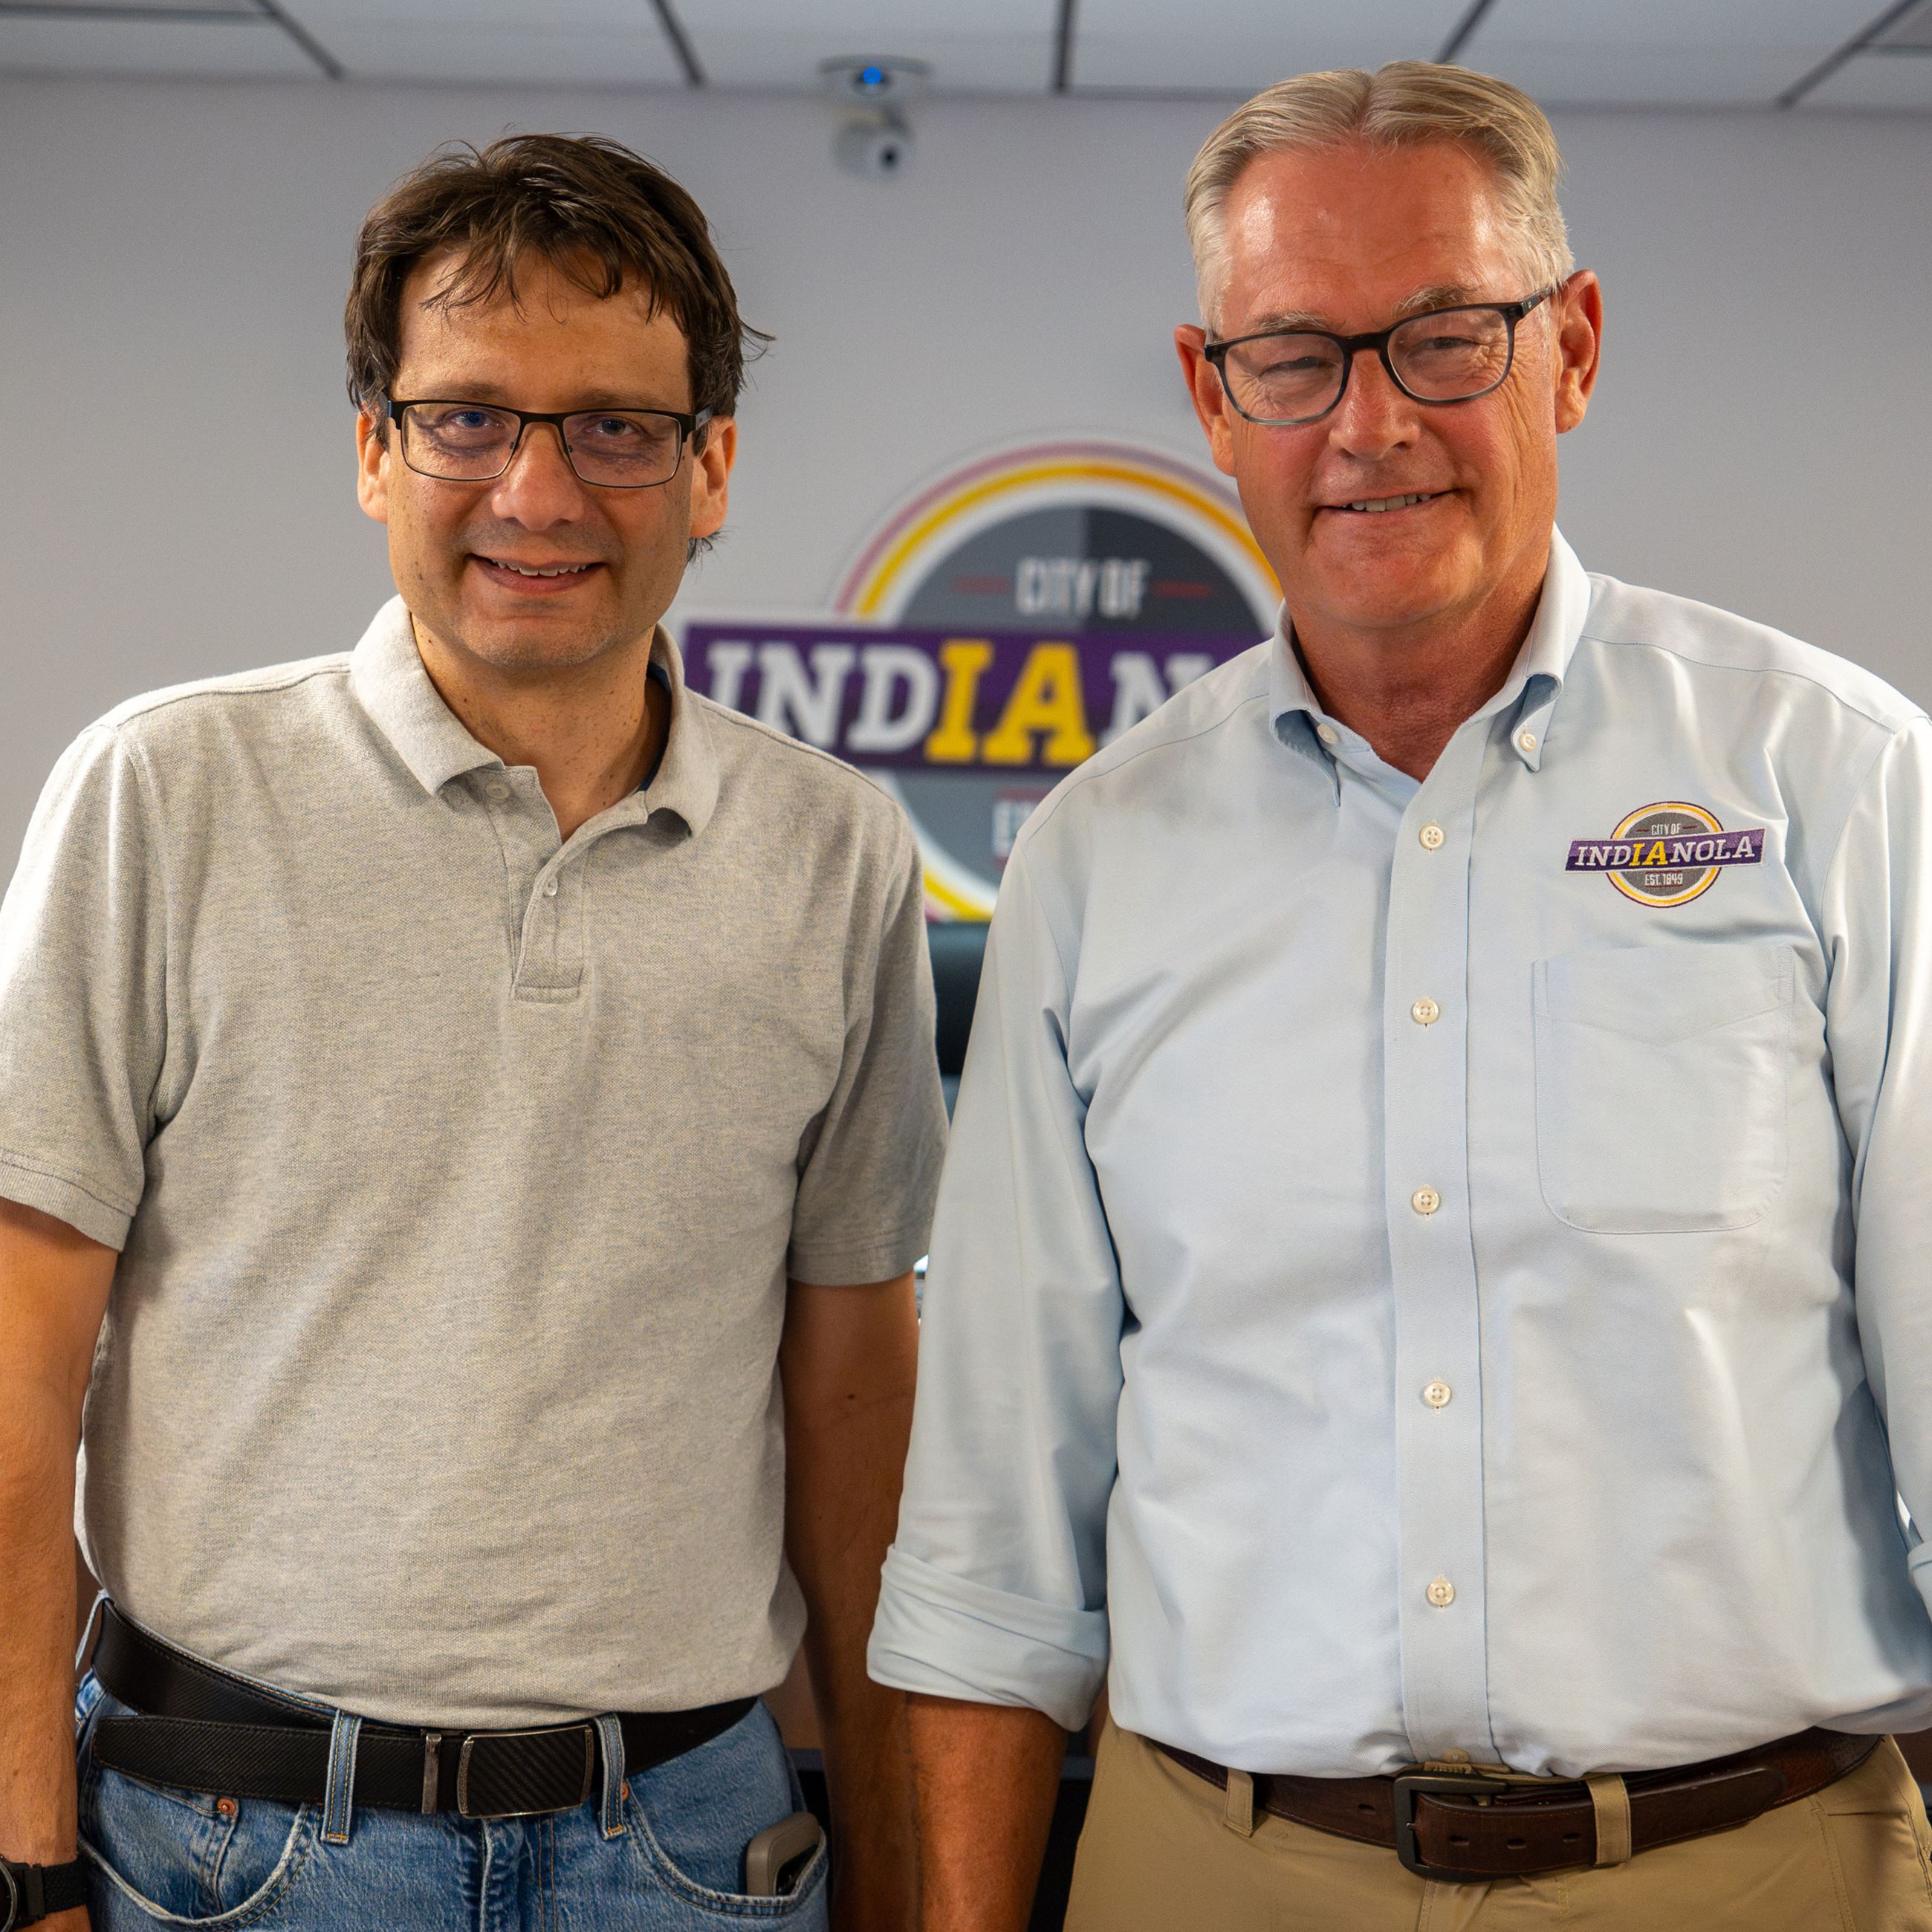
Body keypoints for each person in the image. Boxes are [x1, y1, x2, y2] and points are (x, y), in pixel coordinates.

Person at [869, 60, 1932, 1931]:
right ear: (1214, 396)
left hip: (1751, 1868)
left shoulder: (1834, 783)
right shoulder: (1097, 859)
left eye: (1445, 338)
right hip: (1211, 1869)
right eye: (1293, 357)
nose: (1369, 425)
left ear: (1571, 348)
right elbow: (989, 1544)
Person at [0, 134, 944, 1932]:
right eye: (465, 420)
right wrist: (22, 1859)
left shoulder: (834, 851)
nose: (538, 488)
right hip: (232, 1845)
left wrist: (897, 1874)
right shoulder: (166, 793)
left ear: (709, 467)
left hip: (692, 1850)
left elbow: (854, 1400)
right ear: (374, 449)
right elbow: (14, 1373)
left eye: (615, 426)